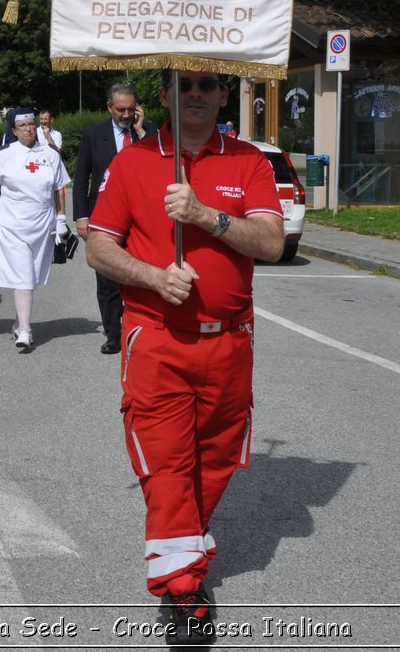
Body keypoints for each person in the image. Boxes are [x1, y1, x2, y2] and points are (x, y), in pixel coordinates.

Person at [84, 69, 283, 645]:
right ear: (166, 96)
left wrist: (203, 216)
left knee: (216, 461)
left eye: (206, 85)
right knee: (168, 463)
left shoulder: (250, 161)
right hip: (157, 337)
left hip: (230, 343)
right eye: (183, 85)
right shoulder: (134, 161)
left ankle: (184, 553)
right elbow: (100, 247)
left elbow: (270, 243)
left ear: (224, 95)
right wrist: (151, 276)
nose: (194, 94)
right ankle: (183, 589)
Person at [74, 83, 157, 354]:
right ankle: (113, 334)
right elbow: (81, 178)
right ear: (109, 107)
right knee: (107, 277)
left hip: (142, 219)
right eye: (121, 109)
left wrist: (142, 131)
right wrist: (82, 217)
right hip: (103, 217)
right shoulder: (93, 134)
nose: (126, 115)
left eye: (131, 109)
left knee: (139, 274)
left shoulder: (150, 132)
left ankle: (142, 328)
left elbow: (157, 166)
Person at [0, 107, 71, 351]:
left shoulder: (50, 154)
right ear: (14, 130)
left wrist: (61, 217)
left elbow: (58, 187)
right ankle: (25, 329)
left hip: (42, 222)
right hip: (13, 222)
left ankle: (19, 320)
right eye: (23, 126)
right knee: (23, 273)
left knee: (30, 275)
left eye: (32, 124)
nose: (29, 129)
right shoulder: (5, 155)